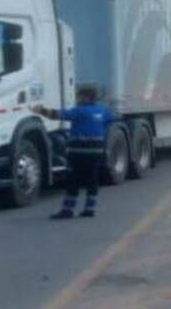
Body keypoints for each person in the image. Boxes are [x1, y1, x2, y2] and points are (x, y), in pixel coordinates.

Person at [32, 85, 113, 220]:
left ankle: (68, 210)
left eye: (80, 96)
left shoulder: (79, 111)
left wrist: (41, 110)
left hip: (79, 152)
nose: (77, 99)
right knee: (92, 179)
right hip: (96, 151)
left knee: (73, 180)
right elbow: (110, 118)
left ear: (86, 98)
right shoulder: (102, 111)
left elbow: (57, 115)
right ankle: (89, 209)